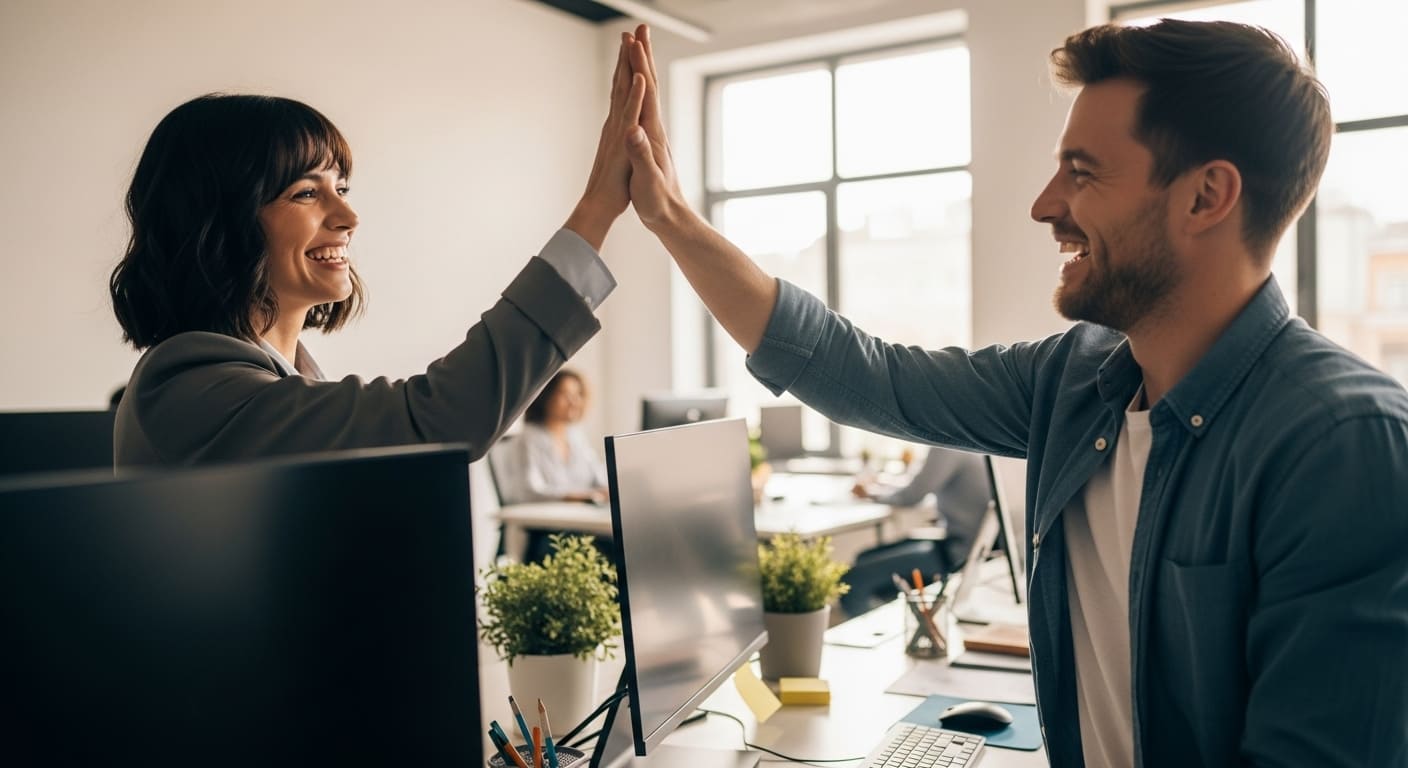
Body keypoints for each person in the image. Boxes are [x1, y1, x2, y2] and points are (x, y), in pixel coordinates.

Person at [617, 20, 1408, 767]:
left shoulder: (1344, 443)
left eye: (1082, 173)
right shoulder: (1073, 381)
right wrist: (671, 218)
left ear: (1206, 197)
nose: (1044, 205)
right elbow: (863, 372)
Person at [108, 36, 646, 467]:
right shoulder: (191, 385)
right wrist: (597, 209)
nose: (348, 218)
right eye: (305, 192)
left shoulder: (281, 379)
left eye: (340, 188)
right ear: (218, 223)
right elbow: (438, 419)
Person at [852, 446, 989, 570]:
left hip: (959, 553)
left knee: (858, 570)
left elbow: (912, 496)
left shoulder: (947, 446)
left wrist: (872, 495)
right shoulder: (971, 444)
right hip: (976, 548)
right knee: (867, 556)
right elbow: (917, 487)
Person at [500, 369, 608, 504]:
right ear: (545, 397)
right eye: (565, 395)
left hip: (579, 515)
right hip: (545, 520)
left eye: (578, 394)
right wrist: (577, 497)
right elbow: (529, 491)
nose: (574, 402)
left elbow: (598, 478)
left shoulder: (576, 435)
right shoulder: (528, 438)